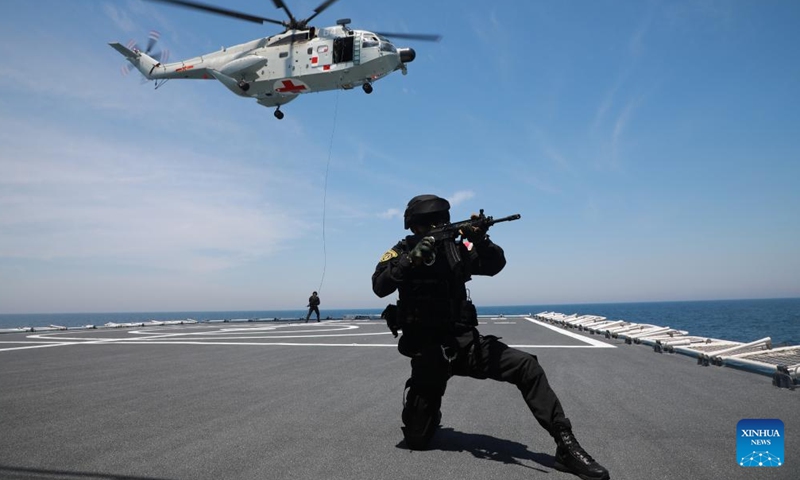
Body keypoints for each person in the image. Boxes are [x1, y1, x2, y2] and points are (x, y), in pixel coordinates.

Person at [372, 194, 609, 480]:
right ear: (415, 227)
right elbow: (380, 286)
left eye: (442, 222)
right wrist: (411, 260)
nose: (438, 228)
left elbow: (495, 265)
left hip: (465, 345)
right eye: (431, 224)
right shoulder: (400, 251)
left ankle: (566, 445)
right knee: (417, 440)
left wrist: (481, 239)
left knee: (527, 367)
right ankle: (427, 412)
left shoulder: (456, 250)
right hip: (427, 353)